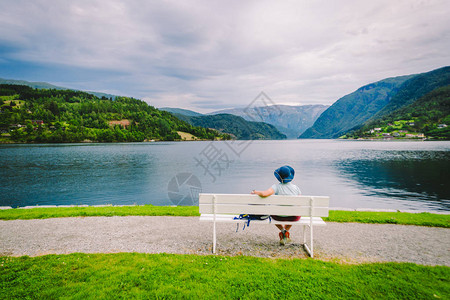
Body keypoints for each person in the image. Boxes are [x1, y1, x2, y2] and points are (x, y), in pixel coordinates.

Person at [251, 165, 301, 245]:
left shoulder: (276, 187)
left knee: (271, 212)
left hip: (278, 216)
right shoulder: (296, 188)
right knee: (295, 211)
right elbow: (299, 204)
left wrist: (255, 191)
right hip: (293, 217)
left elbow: (264, 194)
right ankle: (286, 231)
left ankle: (282, 231)